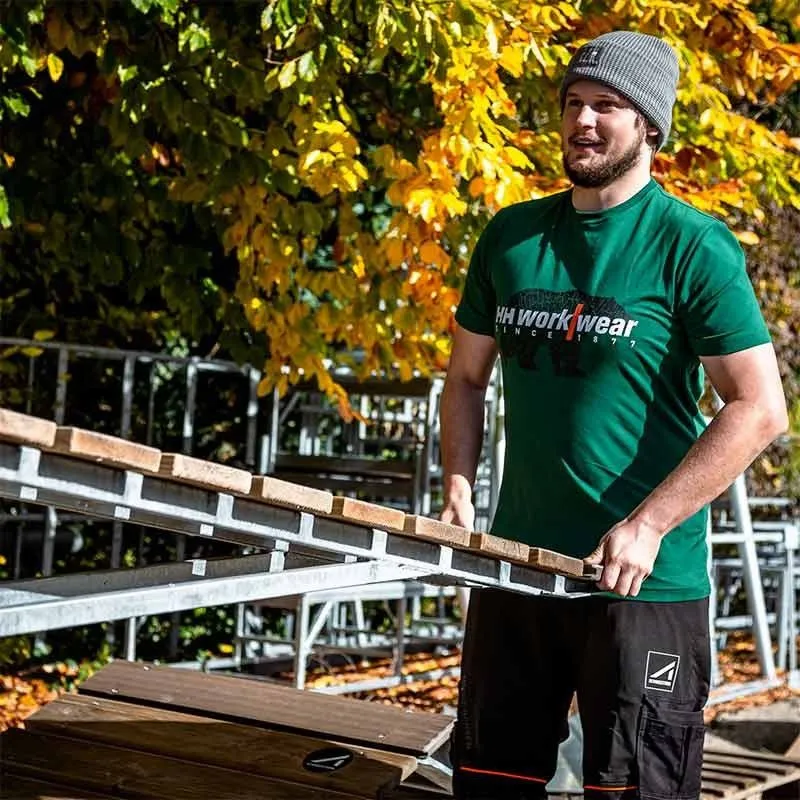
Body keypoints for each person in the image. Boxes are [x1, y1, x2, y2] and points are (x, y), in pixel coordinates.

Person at [439, 30, 788, 800]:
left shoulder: (693, 246)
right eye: (572, 103)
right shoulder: (511, 236)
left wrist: (651, 522)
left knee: (634, 791)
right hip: (517, 573)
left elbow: (760, 408)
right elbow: (464, 377)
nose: (583, 121)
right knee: (488, 783)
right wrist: (459, 485)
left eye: (607, 105)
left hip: (644, 587)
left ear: (650, 127)